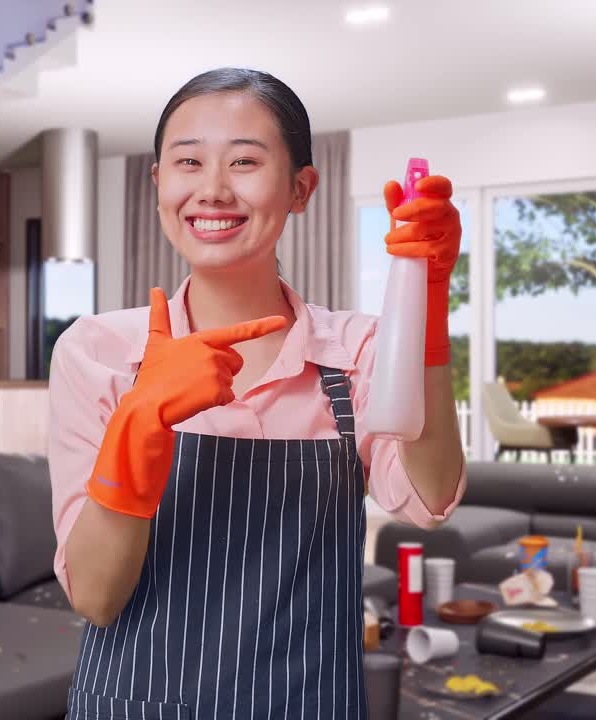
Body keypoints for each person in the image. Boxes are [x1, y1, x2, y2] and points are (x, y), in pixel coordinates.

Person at [48, 67, 465, 718]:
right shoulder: (99, 352)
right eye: (187, 162)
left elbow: (429, 497)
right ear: (159, 183)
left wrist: (429, 310)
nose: (212, 189)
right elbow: (96, 598)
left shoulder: (352, 353)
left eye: (245, 161)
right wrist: (140, 424)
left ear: (301, 189)